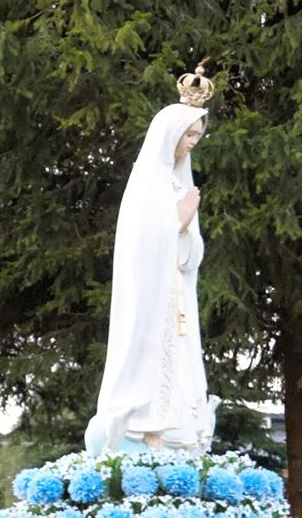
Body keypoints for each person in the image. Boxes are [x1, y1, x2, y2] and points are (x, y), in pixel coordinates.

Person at [84, 65, 218, 452]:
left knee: (179, 357)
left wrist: (185, 231)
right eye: (188, 135)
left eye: (197, 136)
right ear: (170, 135)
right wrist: (176, 222)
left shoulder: (179, 183)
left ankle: (178, 429)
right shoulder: (146, 184)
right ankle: (145, 426)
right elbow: (137, 244)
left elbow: (189, 257)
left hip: (176, 295)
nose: (192, 142)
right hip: (149, 295)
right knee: (147, 354)